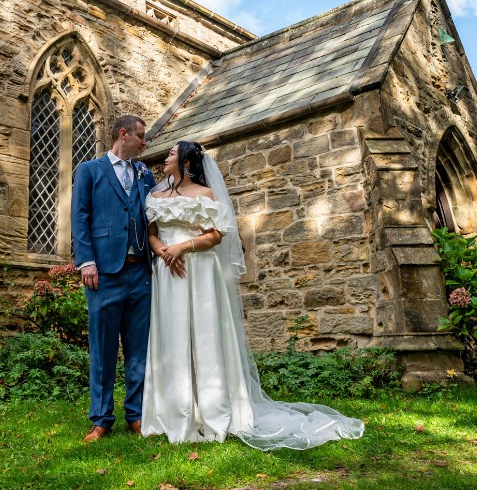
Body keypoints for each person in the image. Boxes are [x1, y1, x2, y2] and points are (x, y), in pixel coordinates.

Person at [141, 141, 364, 450]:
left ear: (187, 163)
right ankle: (173, 412)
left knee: (203, 335)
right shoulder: (154, 195)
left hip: (199, 271)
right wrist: (163, 250)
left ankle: (211, 411)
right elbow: (151, 233)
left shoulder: (205, 195)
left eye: (172, 154)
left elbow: (216, 236)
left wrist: (182, 247)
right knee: (172, 336)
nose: (165, 157)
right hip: (166, 272)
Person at [71, 115, 157, 442]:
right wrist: (86, 261)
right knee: (103, 349)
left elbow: (156, 216)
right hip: (103, 273)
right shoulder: (90, 171)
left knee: (138, 350)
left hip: (140, 272)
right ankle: (101, 419)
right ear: (123, 134)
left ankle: (136, 415)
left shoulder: (145, 174)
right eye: (141, 137)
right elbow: (80, 217)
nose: (145, 143)